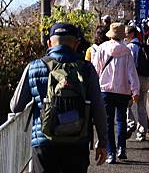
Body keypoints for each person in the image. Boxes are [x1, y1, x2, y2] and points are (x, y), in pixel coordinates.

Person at [10, 23, 108, 173]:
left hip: (44, 141)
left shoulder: (34, 67)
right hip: (78, 141)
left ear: (49, 43)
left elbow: (15, 106)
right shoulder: (87, 69)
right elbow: (98, 108)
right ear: (76, 44)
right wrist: (102, 142)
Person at [92, 23, 140, 164]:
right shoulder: (126, 51)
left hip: (105, 91)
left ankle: (111, 154)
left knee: (108, 123)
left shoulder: (102, 49)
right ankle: (122, 150)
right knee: (121, 121)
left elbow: (96, 70)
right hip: (123, 91)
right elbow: (132, 73)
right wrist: (135, 91)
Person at [125, 25, 149, 141]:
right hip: (145, 79)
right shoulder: (144, 46)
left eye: (126, 33)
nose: (125, 35)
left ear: (131, 34)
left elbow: (127, 66)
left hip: (133, 80)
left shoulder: (129, 48)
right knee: (142, 106)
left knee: (127, 104)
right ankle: (141, 133)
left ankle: (131, 123)